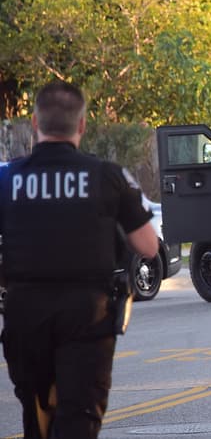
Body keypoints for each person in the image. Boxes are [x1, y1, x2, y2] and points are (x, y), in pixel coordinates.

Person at [0, 81, 158, 438]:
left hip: (25, 314)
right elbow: (148, 245)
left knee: (36, 417)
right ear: (82, 125)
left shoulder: (7, 178)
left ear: (35, 124)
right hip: (86, 315)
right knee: (78, 418)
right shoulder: (108, 176)